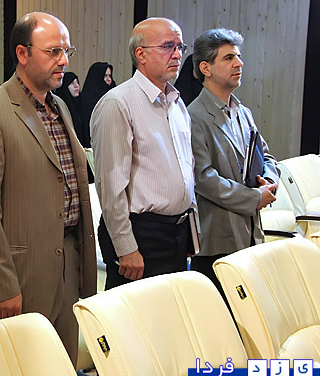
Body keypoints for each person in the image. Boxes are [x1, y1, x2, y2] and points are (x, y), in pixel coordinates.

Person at [0, 12, 97, 366]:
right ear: (22, 53)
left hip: (67, 261)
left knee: (61, 367)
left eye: (66, 51)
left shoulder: (59, 106)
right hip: (21, 272)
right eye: (53, 51)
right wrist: (1, 285)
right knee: (21, 370)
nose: (64, 61)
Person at [91, 17, 195, 290]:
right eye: (168, 46)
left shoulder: (176, 103)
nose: (177, 55)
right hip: (142, 233)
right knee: (136, 313)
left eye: (180, 47)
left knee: (172, 310)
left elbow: (186, 169)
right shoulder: (118, 103)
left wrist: (191, 233)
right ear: (141, 54)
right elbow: (111, 185)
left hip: (177, 232)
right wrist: (125, 246)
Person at [189, 28, 278, 298]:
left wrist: (269, 181)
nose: (239, 64)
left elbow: (266, 156)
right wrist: (254, 198)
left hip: (250, 234)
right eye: (228, 58)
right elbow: (203, 178)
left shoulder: (243, 112)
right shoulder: (193, 116)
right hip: (217, 240)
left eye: (238, 57)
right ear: (205, 68)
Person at [80, 62, 115, 147]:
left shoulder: (114, 93)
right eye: (105, 76)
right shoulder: (89, 98)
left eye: (110, 76)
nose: (108, 79)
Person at [54, 72, 83, 146]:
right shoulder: (59, 107)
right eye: (72, 83)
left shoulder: (83, 104)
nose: (76, 86)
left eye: (77, 82)